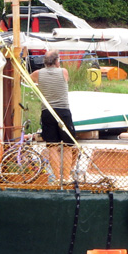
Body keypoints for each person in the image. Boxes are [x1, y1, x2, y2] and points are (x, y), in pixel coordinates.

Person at [30, 51, 76, 181]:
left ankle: (57, 177)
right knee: (67, 146)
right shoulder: (64, 72)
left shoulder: (37, 74)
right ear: (57, 61)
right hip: (63, 111)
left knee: (52, 146)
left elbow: (26, 79)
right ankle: (66, 177)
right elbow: (66, 80)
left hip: (47, 112)